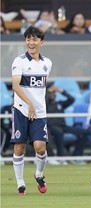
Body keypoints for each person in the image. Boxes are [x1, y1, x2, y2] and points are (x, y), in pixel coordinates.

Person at [11, 26, 51, 195]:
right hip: (21, 110)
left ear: (42, 42)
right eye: (28, 39)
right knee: (19, 148)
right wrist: (29, 103)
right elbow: (15, 85)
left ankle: (39, 174)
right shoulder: (19, 61)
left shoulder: (47, 64)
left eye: (35, 39)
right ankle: (20, 184)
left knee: (40, 148)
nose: (31, 42)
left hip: (39, 112)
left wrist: (36, 105)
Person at [46, 85, 89, 160]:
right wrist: (47, 92)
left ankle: (75, 156)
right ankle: (61, 157)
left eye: (54, 92)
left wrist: (61, 90)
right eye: (51, 92)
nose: (53, 94)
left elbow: (71, 99)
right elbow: (44, 100)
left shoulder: (59, 104)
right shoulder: (45, 105)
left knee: (84, 132)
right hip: (51, 127)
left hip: (63, 126)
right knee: (58, 132)